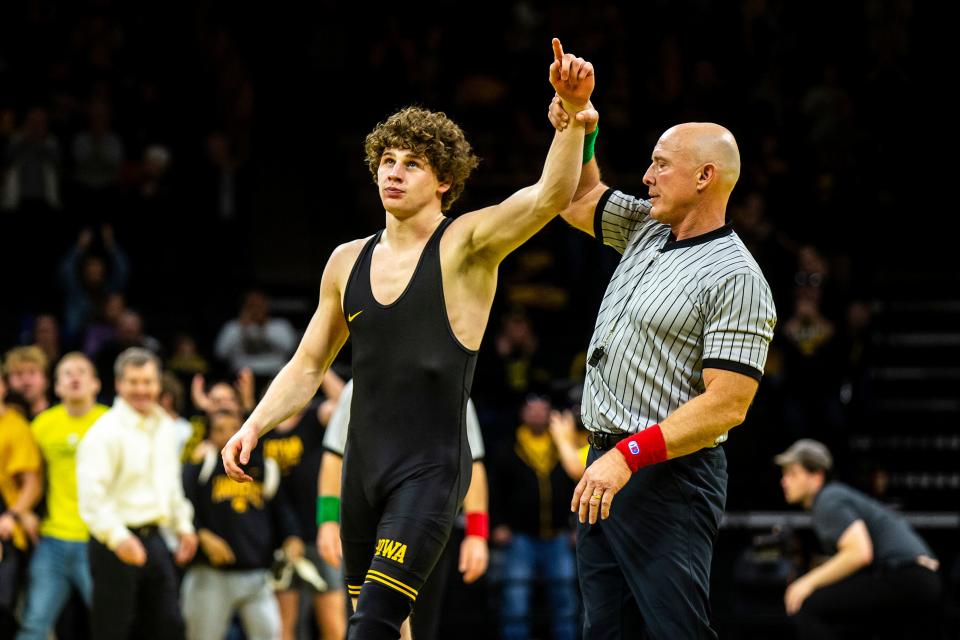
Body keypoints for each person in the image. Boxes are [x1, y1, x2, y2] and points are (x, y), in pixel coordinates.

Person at [223, 38, 594, 639]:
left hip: (429, 473)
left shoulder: (467, 246)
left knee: (370, 626)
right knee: (392, 631)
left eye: (412, 163)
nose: (393, 172)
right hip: (360, 475)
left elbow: (549, 197)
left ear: (445, 180)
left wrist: (573, 116)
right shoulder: (346, 261)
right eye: (387, 161)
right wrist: (254, 425)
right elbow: (308, 363)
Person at [548, 97, 777, 638]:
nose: (647, 177)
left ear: (704, 176)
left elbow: (728, 404)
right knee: (605, 630)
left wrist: (629, 456)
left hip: (667, 476)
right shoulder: (646, 230)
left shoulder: (738, 277)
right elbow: (575, 195)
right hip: (605, 465)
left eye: (661, 164)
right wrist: (582, 125)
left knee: (675, 630)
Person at [318, 379, 489, 639]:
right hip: (369, 525)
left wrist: (477, 533)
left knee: (420, 624)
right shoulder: (360, 382)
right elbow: (334, 453)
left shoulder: (452, 379)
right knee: (366, 619)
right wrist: (327, 521)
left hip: (431, 523)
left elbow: (472, 460)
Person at [76, 348, 198, 640]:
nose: (141, 389)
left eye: (148, 382)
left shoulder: (166, 427)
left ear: (159, 385)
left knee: (168, 627)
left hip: (154, 539)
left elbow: (171, 485)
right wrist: (118, 538)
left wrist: (184, 527)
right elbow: (92, 497)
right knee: (114, 631)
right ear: (118, 384)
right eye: (133, 382)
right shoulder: (104, 432)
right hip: (113, 542)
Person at [775, 439, 942, 639]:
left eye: (793, 473)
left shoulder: (828, 500)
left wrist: (806, 583)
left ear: (817, 476)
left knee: (808, 605)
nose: (784, 481)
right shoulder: (835, 496)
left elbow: (859, 553)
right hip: (921, 580)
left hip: (907, 577)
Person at [181, 410, 300, 640]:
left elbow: (282, 511)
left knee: (271, 634)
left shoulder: (265, 468)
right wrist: (202, 535)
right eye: (219, 431)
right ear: (209, 436)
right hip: (210, 575)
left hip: (257, 575)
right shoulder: (201, 465)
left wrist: (292, 537)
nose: (227, 436)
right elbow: (180, 506)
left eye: (234, 429)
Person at [17, 353, 108, 640]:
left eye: (82, 371)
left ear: (96, 384)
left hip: (99, 539)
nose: (75, 377)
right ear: (57, 387)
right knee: (33, 623)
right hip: (52, 540)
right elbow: (24, 476)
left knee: (110, 623)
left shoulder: (112, 422)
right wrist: (23, 511)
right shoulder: (42, 425)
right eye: (67, 373)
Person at [490, 394, 577, 640]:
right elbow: (494, 489)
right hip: (520, 537)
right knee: (515, 601)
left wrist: (576, 526)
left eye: (543, 409)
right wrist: (497, 524)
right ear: (523, 414)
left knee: (565, 600)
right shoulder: (509, 447)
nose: (538, 414)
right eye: (532, 409)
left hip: (559, 535)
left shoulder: (563, 446)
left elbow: (576, 486)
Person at [0, 372, 43, 636]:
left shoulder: (16, 427)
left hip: (6, 527)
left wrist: (13, 515)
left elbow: (32, 482)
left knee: (4, 609)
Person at [4, 345, 51, 419]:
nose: (26, 380)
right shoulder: (4, 419)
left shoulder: (62, 414)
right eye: (18, 373)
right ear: (7, 382)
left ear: (46, 378)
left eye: (32, 372)